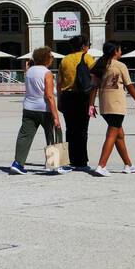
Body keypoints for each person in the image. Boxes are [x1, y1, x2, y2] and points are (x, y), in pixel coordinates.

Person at [9, 47, 68, 175]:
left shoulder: (29, 71)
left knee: (24, 136)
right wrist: (56, 116)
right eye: (51, 57)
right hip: (44, 108)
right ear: (46, 58)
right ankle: (54, 165)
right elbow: (49, 96)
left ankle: (18, 163)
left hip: (29, 108)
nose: (52, 59)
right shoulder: (47, 73)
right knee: (54, 134)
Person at [90, 41, 135, 176]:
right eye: (120, 50)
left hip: (104, 103)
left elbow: (94, 87)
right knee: (112, 135)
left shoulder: (99, 65)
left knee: (120, 135)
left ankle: (128, 165)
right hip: (117, 103)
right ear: (115, 51)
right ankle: (101, 165)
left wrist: (91, 104)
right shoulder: (120, 66)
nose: (121, 52)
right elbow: (129, 85)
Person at [57, 37, 95, 170]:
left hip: (67, 96)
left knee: (70, 129)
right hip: (82, 96)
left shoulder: (64, 59)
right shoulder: (87, 57)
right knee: (83, 130)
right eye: (88, 44)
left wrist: (59, 100)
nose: (88, 47)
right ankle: (81, 161)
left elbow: (59, 82)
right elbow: (94, 75)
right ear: (83, 46)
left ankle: (70, 160)